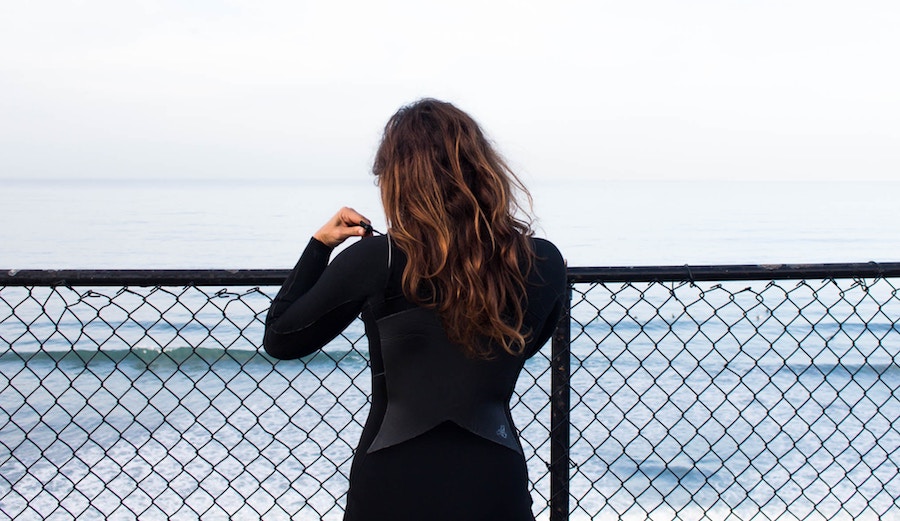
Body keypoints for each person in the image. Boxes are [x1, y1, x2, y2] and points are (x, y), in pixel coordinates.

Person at [263, 98, 566, 521]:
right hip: (495, 479)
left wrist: (319, 246)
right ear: (482, 168)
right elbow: (527, 344)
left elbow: (281, 338)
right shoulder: (542, 260)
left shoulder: (377, 259)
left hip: (393, 480)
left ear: (401, 179)